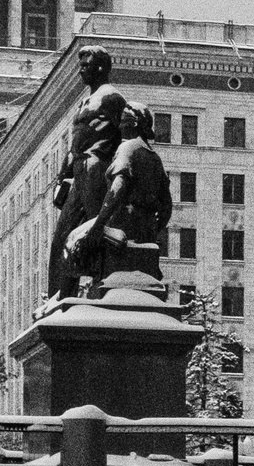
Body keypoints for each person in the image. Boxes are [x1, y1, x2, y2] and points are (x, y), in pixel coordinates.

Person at [45, 47, 128, 297]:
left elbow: (126, 136)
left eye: (86, 65)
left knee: (96, 232)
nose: (81, 70)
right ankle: (60, 298)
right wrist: (62, 175)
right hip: (80, 172)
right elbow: (75, 143)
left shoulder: (112, 97)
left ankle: (106, 288)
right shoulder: (85, 101)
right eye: (80, 64)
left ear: (101, 67)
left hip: (97, 169)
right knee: (62, 239)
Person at [65, 106, 173, 287]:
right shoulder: (154, 158)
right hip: (145, 230)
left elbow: (117, 189)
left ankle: (64, 300)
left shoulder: (127, 149)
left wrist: (99, 225)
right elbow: (166, 206)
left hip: (121, 225)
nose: (120, 126)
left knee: (73, 239)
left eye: (124, 121)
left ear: (135, 123)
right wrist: (152, 231)